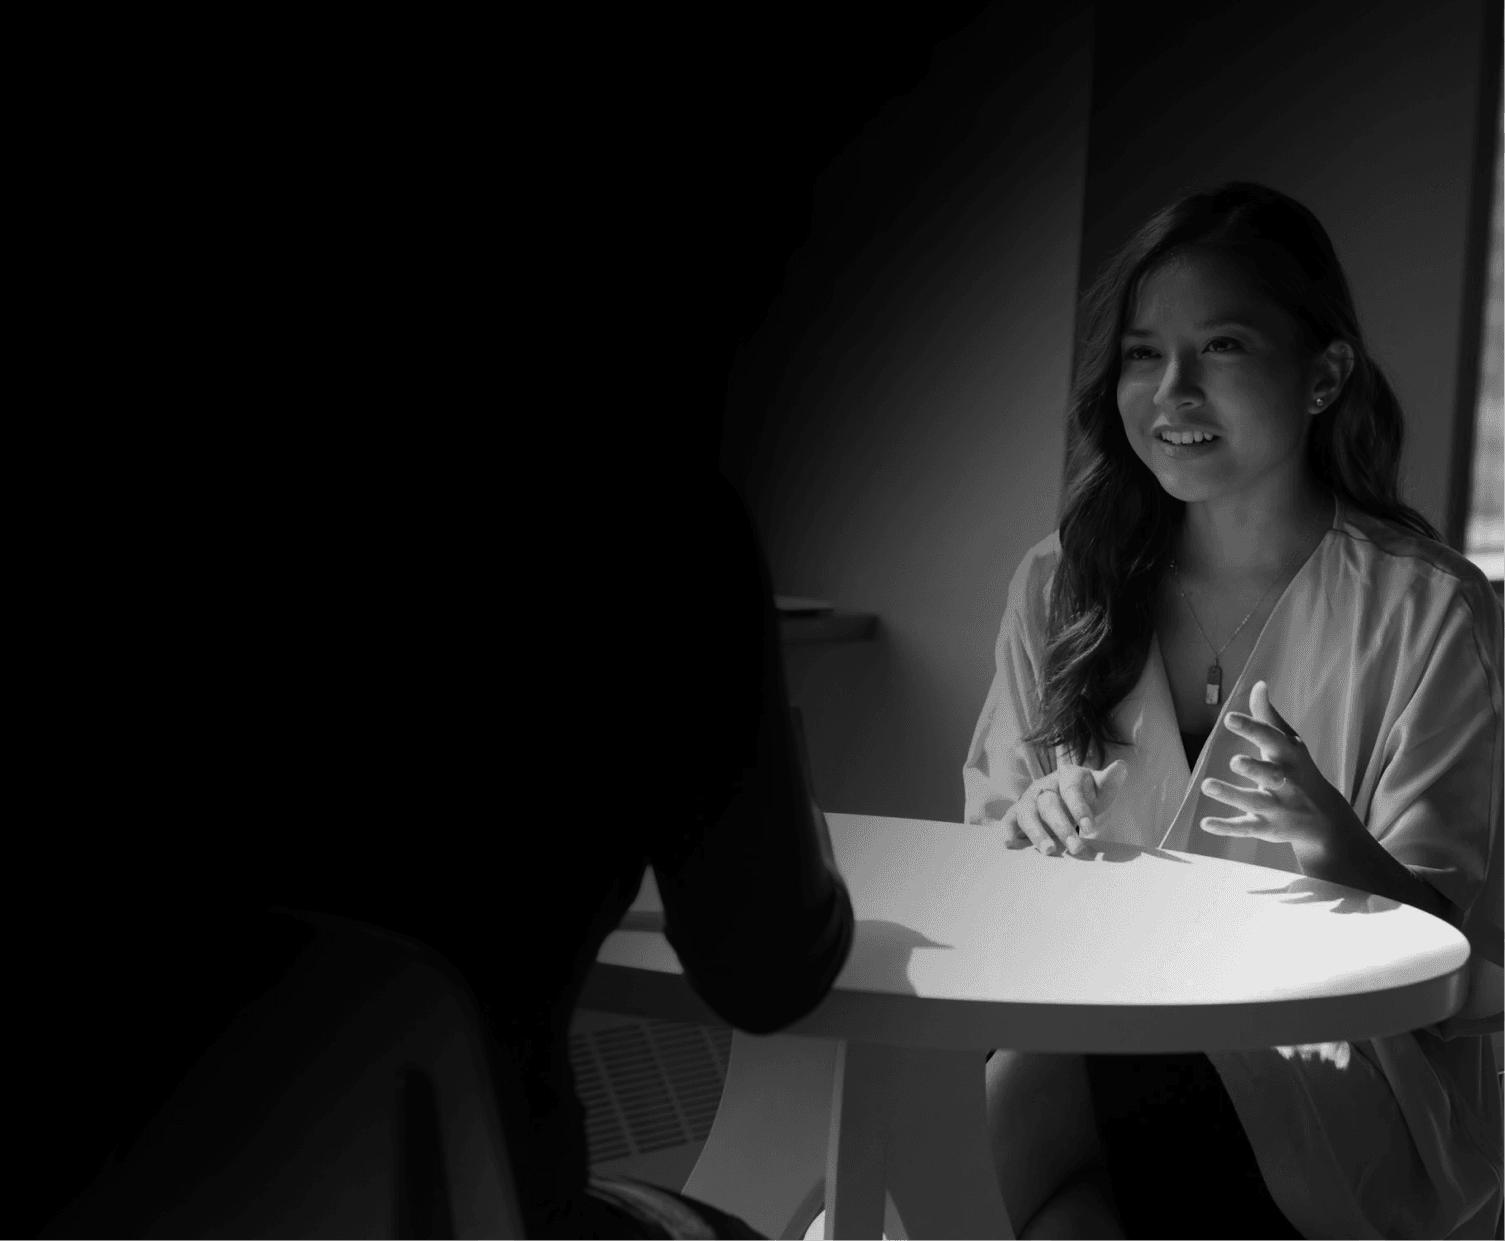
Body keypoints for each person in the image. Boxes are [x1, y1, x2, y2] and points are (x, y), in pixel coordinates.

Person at [964, 182, 1504, 1239]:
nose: (1171, 391)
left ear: (1323, 376)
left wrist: (1340, 849)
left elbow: (1454, 958)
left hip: (1335, 1089)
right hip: (1076, 1052)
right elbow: (987, 883)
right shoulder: (1058, 585)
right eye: (1141, 353)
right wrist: (1023, 832)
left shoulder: (1431, 610)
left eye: (1220, 346)